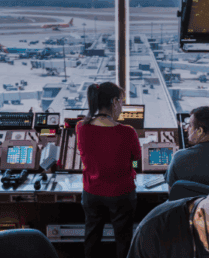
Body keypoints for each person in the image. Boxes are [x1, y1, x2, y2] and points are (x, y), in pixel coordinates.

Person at [76, 82, 141, 258]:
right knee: (123, 239)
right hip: (122, 193)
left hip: (92, 192)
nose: (122, 106)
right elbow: (136, 159)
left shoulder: (81, 127)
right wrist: (131, 166)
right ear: (114, 101)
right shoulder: (127, 132)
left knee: (92, 235)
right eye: (121, 101)